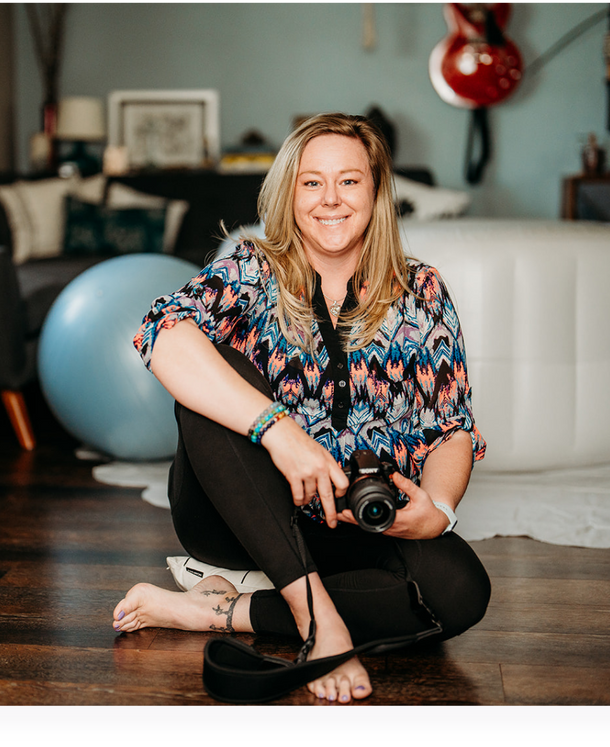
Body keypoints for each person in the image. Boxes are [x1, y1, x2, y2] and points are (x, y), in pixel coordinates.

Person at [112, 113, 490, 703]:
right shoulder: (253, 267)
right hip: (236, 515)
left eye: (349, 181)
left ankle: (218, 610)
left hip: (354, 522)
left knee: (460, 590)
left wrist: (438, 509)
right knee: (216, 370)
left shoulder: (421, 289)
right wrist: (280, 430)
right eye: (312, 182)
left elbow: (451, 427)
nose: (330, 200)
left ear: (376, 190)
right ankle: (322, 624)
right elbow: (162, 332)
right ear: (289, 193)